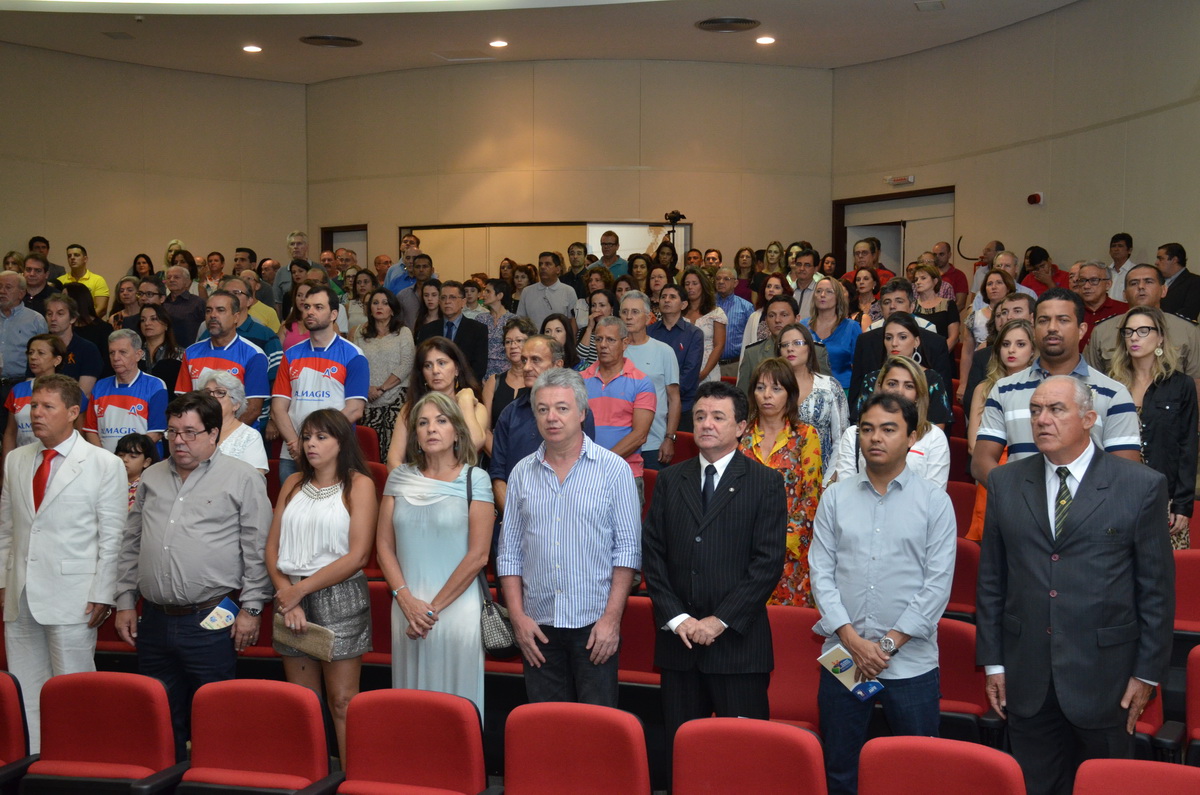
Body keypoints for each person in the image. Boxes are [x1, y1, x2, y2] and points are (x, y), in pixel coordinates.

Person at [976, 376, 1175, 795]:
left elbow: (1156, 591)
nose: (1041, 420)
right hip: (1027, 677)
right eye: (1035, 410)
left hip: (1107, 680)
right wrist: (994, 664)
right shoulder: (1005, 483)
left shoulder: (1140, 485)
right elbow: (992, 580)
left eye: (1055, 409)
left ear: (1089, 419)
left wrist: (1147, 674)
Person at [810, 392, 956, 795]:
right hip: (844, 657)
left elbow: (937, 586)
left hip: (910, 663)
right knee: (840, 769)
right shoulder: (835, 497)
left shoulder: (935, 502)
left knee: (916, 774)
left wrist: (885, 646)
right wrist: (854, 642)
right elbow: (821, 575)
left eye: (889, 429)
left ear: (911, 437)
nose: (876, 438)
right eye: (868, 429)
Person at [114, 391, 272, 760]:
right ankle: (165, 778)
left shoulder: (242, 477)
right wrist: (124, 601)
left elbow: (257, 547)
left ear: (213, 433)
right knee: (158, 714)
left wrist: (251, 609)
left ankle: (214, 776)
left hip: (211, 618)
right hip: (154, 619)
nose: (179, 441)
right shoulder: (152, 476)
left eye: (190, 432)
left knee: (215, 712)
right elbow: (131, 543)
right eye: (172, 432)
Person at [642, 380, 787, 763]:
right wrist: (679, 619)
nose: (707, 424)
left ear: (741, 427)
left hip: (739, 648)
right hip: (680, 647)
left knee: (744, 759)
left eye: (718, 417)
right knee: (682, 757)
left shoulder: (765, 482)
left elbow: (767, 563)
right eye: (701, 416)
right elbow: (653, 555)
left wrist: (718, 621)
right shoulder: (670, 480)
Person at [498, 367, 640, 706]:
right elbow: (509, 554)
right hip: (537, 627)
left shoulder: (614, 470)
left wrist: (612, 620)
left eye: (562, 408)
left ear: (581, 413)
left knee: (596, 728)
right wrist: (518, 619)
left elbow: (627, 551)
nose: (552, 417)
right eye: (543, 409)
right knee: (546, 728)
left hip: (594, 626)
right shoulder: (521, 474)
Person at [0, 373, 126, 753]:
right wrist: (3, 583)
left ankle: (78, 760)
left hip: (75, 596)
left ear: (72, 412)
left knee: (73, 686)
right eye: (33, 406)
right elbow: (7, 528)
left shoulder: (104, 463)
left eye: (47, 407)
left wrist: (103, 593)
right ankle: (35, 760)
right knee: (26, 688)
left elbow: (112, 538)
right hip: (20, 592)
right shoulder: (16, 459)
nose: (36, 414)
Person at [266, 409, 375, 764]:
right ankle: (309, 777)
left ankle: (352, 778)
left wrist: (298, 592)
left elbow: (359, 555)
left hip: (339, 596)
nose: (310, 444)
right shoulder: (293, 483)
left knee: (342, 701)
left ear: (341, 442)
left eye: (321, 437)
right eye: (307, 437)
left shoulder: (359, 484)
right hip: (290, 596)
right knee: (303, 702)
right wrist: (289, 594)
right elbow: (272, 549)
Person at [378, 392, 493, 714]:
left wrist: (428, 613)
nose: (431, 429)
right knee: (410, 708)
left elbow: (478, 556)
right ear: (415, 434)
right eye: (423, 423)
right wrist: (406, 601)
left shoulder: (475, 478)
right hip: (406, 609)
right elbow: (384, 547)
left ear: (457, 431)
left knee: (457, 708)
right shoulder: (398, 477)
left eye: (441, 421)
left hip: (455, 612)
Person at [972, 288, 1142, 483]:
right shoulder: (1004, 389)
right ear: (1033, 327)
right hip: (1019, 499)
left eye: (1063, 320)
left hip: (1090, 501)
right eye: (1044, 320)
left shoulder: (1113, 394)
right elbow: (981, 462)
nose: (1052, 327)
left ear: (1081, 330)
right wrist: (1018, 497)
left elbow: (1125, 472)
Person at [1108, 306, 1197, 548]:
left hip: (1164, 496)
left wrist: (1182, 504)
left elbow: (1188, 447)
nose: (1134, 337)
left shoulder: (1181, 385)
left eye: (1143, 330)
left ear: (1160, 337)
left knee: (1165, 567)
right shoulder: (1111, 385)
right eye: (1128, 332)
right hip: (1117, 496)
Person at [738, 358, 823, 606]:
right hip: (742, 549)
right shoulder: (741, 435)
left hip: (790, 551)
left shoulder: (806, 435)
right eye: (760, 387)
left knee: (786, 623)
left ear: (790, 393)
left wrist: (781, 542)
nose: (767, 395)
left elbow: (811, 497)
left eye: (776, 388)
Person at [489, 335, 597, 515]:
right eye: (524, 360)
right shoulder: (510, 414)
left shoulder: (579, 413)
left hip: (568, 515)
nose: (526, 367)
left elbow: (587, 469)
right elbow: (497, 475)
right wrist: (515, 518)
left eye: (536, 360)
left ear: (557, 365)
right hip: (516, 514)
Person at [273, 285, 368, 480]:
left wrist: (316, 442)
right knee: (290, 500)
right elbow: (278, 408)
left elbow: (355, 410)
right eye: (307, 307)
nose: (310, 312)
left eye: (318, 307)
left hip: (335, 454)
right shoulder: (290, 355)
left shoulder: (354, 355)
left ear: (333, 314)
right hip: (293, 453)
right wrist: (297, 444)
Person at [964, 320, 1036, 540]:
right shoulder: (984, 388)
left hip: (1031, 473)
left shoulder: (1044, 388)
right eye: (1006, 344)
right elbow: (973, 445)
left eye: (1020, 344)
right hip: (991, 471)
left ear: (1033, 350)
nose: (1011, 350)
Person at [831, 355, 950, 487]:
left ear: (918, 394)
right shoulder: (853, 435)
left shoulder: (934, 436)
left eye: (909, 386)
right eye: (892, 384)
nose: (899, 392)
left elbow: (934, 493)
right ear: (880, 388)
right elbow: (846, 490)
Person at [1085, 262, 1200, 380]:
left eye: (1149, 282)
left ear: (1164, 290)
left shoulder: (1187, 330)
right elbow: (1090, 381)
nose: (1141, 287)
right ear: (1124, 294)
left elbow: (1196, 381)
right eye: (1133, 283)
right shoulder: (1102, 331)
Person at [386, 337, 487, 470]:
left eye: (442, 363)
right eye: (428, 365)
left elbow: (473, 444)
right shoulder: (410, 409)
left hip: (460, 481)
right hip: (416, 480)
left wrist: (466, 402)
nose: (435, 371)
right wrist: (413, 482)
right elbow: (393, 461)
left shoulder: (475, 408)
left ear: (457, 369)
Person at [174, 291, 270, 428]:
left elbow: (253, 409)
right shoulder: (191, 353)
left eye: (220, 310)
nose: (213, 315)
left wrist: (222, 435)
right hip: (200, 434)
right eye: (208, 310)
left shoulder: (254, 354)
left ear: (236, 317)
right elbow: (185, 402)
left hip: (238, 435)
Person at [581, 316, 655, 483]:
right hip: (584, 474)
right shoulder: (579, 380)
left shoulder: (641, 382)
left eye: (610, 340)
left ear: (625, 343)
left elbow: (640, 435)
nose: (603, 345)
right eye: (598, 339)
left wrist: (601, 464)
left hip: (625, 473)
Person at [853, 312, 952, 428]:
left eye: (902, 337)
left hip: (921, 439)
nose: (894, 343)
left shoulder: (932, 379)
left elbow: (937, 430)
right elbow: (859, 424)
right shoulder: (871, 379)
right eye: (888, 338)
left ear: (916, 342)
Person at [620, 291, 681, 472]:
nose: (629, 317)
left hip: (654, 442)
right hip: (618, 442)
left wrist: (670, 438)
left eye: (635, 312)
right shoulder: (613, 351)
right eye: (624, 312)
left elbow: (674, 398)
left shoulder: (664, 351)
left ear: (648, 318)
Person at [777, 322, 849, 475]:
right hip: (778, 474)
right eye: (785, 345)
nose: (790, 348)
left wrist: (829, 480)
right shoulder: (772, 389)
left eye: (797, 343)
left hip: (822, 475)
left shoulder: (829, 387)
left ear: (809, 347)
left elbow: (841, 439)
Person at [352, 288, 414, 462]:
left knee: (395, 452)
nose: (379, 307)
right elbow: (356, 364)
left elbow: (407, 363)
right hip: (368, 399)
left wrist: (382, 388)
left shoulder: (403, 332)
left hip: (396, 398)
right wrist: (366, 389)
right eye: (375, 303)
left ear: (392, 309)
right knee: (368, 452)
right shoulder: (360, 332)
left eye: (385, 303)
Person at [83, 330, 168, 452]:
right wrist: (105, 458)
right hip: (106, 461)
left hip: (143, 460)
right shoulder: (100, 386)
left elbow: (156, 433)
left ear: (138, 355)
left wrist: (127, 457)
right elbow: (91, 430)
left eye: (122, 352)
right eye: (112, 352)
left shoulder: (155, 385)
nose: (116, 358)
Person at [2, 335, 71, 461]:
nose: (33, 357)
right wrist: (6, 467)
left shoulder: (70, 390)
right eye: (31, 352)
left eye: (41, 353)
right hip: (23, 460)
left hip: (59, 460)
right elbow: (11, 433)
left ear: (57, 360)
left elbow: (78, 431)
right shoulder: (18, 390)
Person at [0, 270, 49, 428]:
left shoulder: (35, 320)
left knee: (16, 432)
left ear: (21, 293)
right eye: (0, 287)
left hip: (20, 385)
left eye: (8, 287)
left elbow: (45, 354)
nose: (2, 291)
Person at [416, 281, 489, 383]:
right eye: (443, 298)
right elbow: (421, 363)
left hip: (466, 386)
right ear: (439, 302)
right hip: (434, 385)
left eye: (452, 297)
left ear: (463, 302)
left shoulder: (478, 329)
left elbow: (479, 367)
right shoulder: (427, 330)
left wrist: (459, 386)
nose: (447, 302)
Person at [199, 370, 269, 474]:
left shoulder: (250, 436)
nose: (211, 397)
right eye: (207, 393)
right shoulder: (194, 430)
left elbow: (255, 480)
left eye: (220, 393)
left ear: (236, 404)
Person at [804, 278, 861, 390]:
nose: (822, 295)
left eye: (829, 291)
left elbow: (860, 366)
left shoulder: (851, 327)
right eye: (819, 291)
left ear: (838, 297)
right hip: (808, 389)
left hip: (843, 389)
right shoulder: (803, 326)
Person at [482, 317, 536, 435]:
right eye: (508, 342)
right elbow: (485, 430)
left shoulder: (538, 381)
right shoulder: (494, 381)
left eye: (519, 340)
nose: (513, 346)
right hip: (495, 444)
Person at [44, 293, 102, 396]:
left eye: (60, 314)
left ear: (73, 318)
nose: (53, 318)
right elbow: (30, 384)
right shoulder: (39, 346)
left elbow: (84, 393)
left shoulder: (88, 349)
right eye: (49, 314)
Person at [680, 268, 728, 384]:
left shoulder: (716, 312)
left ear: (703, 286)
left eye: (694, 283)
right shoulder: (678, 313)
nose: (690, 287)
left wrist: (704, 373)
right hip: (682, 370)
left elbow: (719, 346)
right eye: (687, 284)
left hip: (708, 370)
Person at [516, 252, 578, 332]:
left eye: (548, 264)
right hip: (533, 339)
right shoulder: (527, 291)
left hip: (558, 339)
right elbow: (520, 321)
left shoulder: (568, 291)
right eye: (540, 264)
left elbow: (573, 321)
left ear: (558, 269)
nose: (542, 267)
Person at [714, 267, 755, 379]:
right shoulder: (706, 305)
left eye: (726, 279)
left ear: (735, 283)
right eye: (718, 278)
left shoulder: (746, 307)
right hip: (710, 364)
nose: (721, 282)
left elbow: (752, 339)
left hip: (735, 365)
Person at [911, 262, 961, 350]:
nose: (918, 282)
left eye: (923, 278)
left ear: (935, 281)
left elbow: (954, 337)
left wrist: (940, 354)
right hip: (917, 354)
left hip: (943, 353)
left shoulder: (948, 304)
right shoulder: (912, 306)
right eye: (916, 279)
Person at [138, 304, 185, 391]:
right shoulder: (135, 353)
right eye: (142, 320)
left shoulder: (179, 354)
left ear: (166, 324)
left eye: (153, 319)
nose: (147, 323)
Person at [479, 278, 517, 378]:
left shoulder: (513, 320)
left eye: (488, 291)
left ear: (499, 295)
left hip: (507, 372)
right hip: (483, 371)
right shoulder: (480, 319)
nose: (484, 294)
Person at [742, 272, 788, 350]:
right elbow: (746, 346)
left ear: (784, 292)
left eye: (776, 287)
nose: (771, 290)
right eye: (768, 286)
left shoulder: (788, 316)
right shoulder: (754, 317)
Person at [62, 244, 110, 316]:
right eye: (69, 256)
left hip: (90, 321)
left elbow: (101, 308)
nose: (72, 258)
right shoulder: (60, 280)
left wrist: (85, 321)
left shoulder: (98, 280)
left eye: (76, 255)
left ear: (85, 259)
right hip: (66, 321)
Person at [162, 265, 205, 345]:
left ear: (187, 282)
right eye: (168, 278)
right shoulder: (162, 303)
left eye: (176, 277)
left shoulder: (198, 302)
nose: (171, 280)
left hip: (190, 349)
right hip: (166, 348)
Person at [1157, 243, 1200, 321]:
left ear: (1174, 260)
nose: (1156, 262)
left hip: (1176, 326)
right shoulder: (1157, 281)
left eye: (1161, 259)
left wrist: (1161, 322)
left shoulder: (1195, 282)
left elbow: (1189, 311)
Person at [576, 287, 616, 370]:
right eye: (593, 305)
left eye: (602, 305)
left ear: (611, 309)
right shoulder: (583, 331)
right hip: (587, 375)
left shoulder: (618, 332)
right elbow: (580, 357)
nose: (596, 309)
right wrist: (589, 328)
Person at [115, 432, 157, 509]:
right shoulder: (109, 482)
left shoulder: (150, 488)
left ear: (146, 462)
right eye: (121, 455)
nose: (124, 459)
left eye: (133, 456)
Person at [849, 266, 881, 331]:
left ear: (874, 283)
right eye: (858, 280)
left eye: (866, 279)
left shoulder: (881, 306)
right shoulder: (850, 305)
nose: (861, 282)